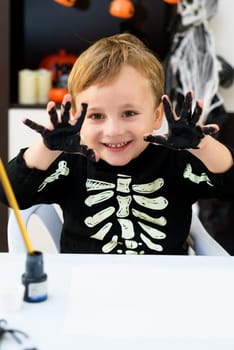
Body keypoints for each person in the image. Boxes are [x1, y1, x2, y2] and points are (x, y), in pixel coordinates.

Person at [0, 33, 234, 255]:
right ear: (75, 117)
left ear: (156, 115)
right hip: (85, 287)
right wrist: (46, 148)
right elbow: (11, 194)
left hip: (165, 286)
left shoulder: (177, 161)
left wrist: (203, 146)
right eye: (96, 116)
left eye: (129, 113)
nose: (113, 131)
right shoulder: (70, 163)